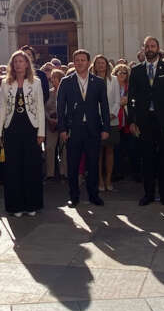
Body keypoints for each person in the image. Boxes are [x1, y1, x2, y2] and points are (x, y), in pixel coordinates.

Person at [128, 36, 164, 206]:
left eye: (153, 46)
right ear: (143, 49)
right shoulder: (136, 71)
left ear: (158, 48)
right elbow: (131, 99)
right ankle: (148, 194)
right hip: (144, 121)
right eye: (147, 46)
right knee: (147, 158)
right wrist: (132, 121)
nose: (150, 49)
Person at [57, 49, 110, 206]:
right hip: (74, 130)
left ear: (88, 63)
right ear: (74, 62)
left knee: (93, 164)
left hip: (93, 129)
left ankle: (94, 195)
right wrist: (62, 129)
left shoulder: (98, 82)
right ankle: (74, 196)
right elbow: (60, 108)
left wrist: (106, 128)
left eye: (83, 60)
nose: (80, 63)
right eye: (77, 60)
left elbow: (105, 107)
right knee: (73, 165)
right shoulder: (66, 82)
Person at [0, 50, 45, 217]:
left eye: (21, 61)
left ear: (26, 64)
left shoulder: (36, 82)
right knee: (12, 168)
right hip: (11, 128)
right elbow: (2, 107)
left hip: (31, 128)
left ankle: (32, 205)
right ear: (12, 64)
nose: (18, 64)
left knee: (31, 167)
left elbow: (40, 108)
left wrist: (42, 132)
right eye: (15, 61)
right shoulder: (5, 83)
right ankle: (15, 206)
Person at [91, 55, 120, 192]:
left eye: (103, 63)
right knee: (97, 152)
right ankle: (100, 180)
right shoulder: (90, 80)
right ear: (94, 66)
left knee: (109, 150)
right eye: (98, 63)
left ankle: (108, 179)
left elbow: (117, 100)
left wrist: (111, 114)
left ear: (107, 65)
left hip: (112, 120)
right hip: (95, 120)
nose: (101, 65)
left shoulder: (113, 80)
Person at [44, 68, 66, 180]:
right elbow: (44, 108)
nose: (52, 80)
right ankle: (50, 173)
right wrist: (49, 119)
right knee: (49, 147)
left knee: (64, 148)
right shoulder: (48, 92)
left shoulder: (67, 92)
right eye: (51, 77)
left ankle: (64, 172)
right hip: (50, 124)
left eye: (55, 77)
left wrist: (61, 120)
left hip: (63, 124)